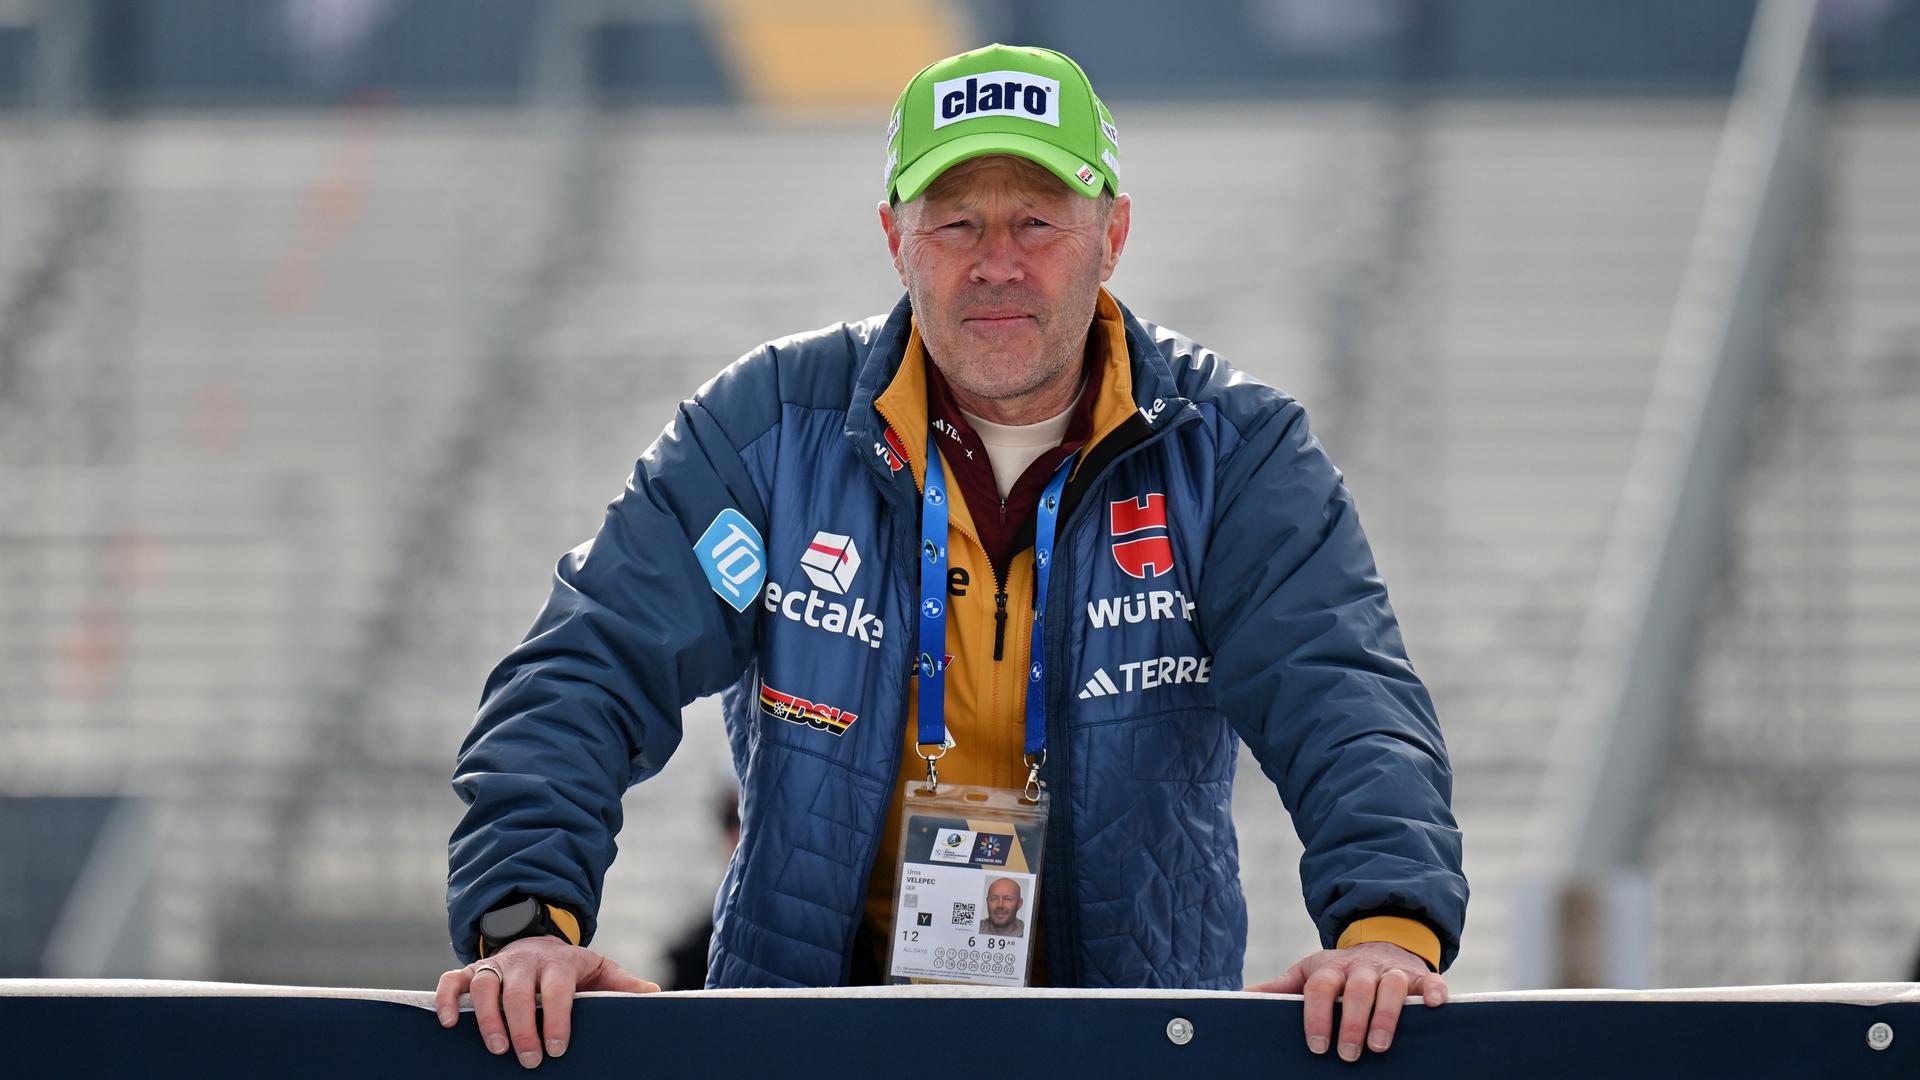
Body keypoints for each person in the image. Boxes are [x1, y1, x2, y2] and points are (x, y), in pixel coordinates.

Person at [437, 43, 1467, 1071]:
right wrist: (527, 921)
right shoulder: (766, 433)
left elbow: (1342, 692)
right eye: (956, 222)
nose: (997, 262)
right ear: (894, 237)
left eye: (1036, 221)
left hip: (1132, 1050)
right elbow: (591, 660)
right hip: (804, 1046)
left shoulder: (1233, 455)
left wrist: (1385, 925)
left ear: (1112, 232)